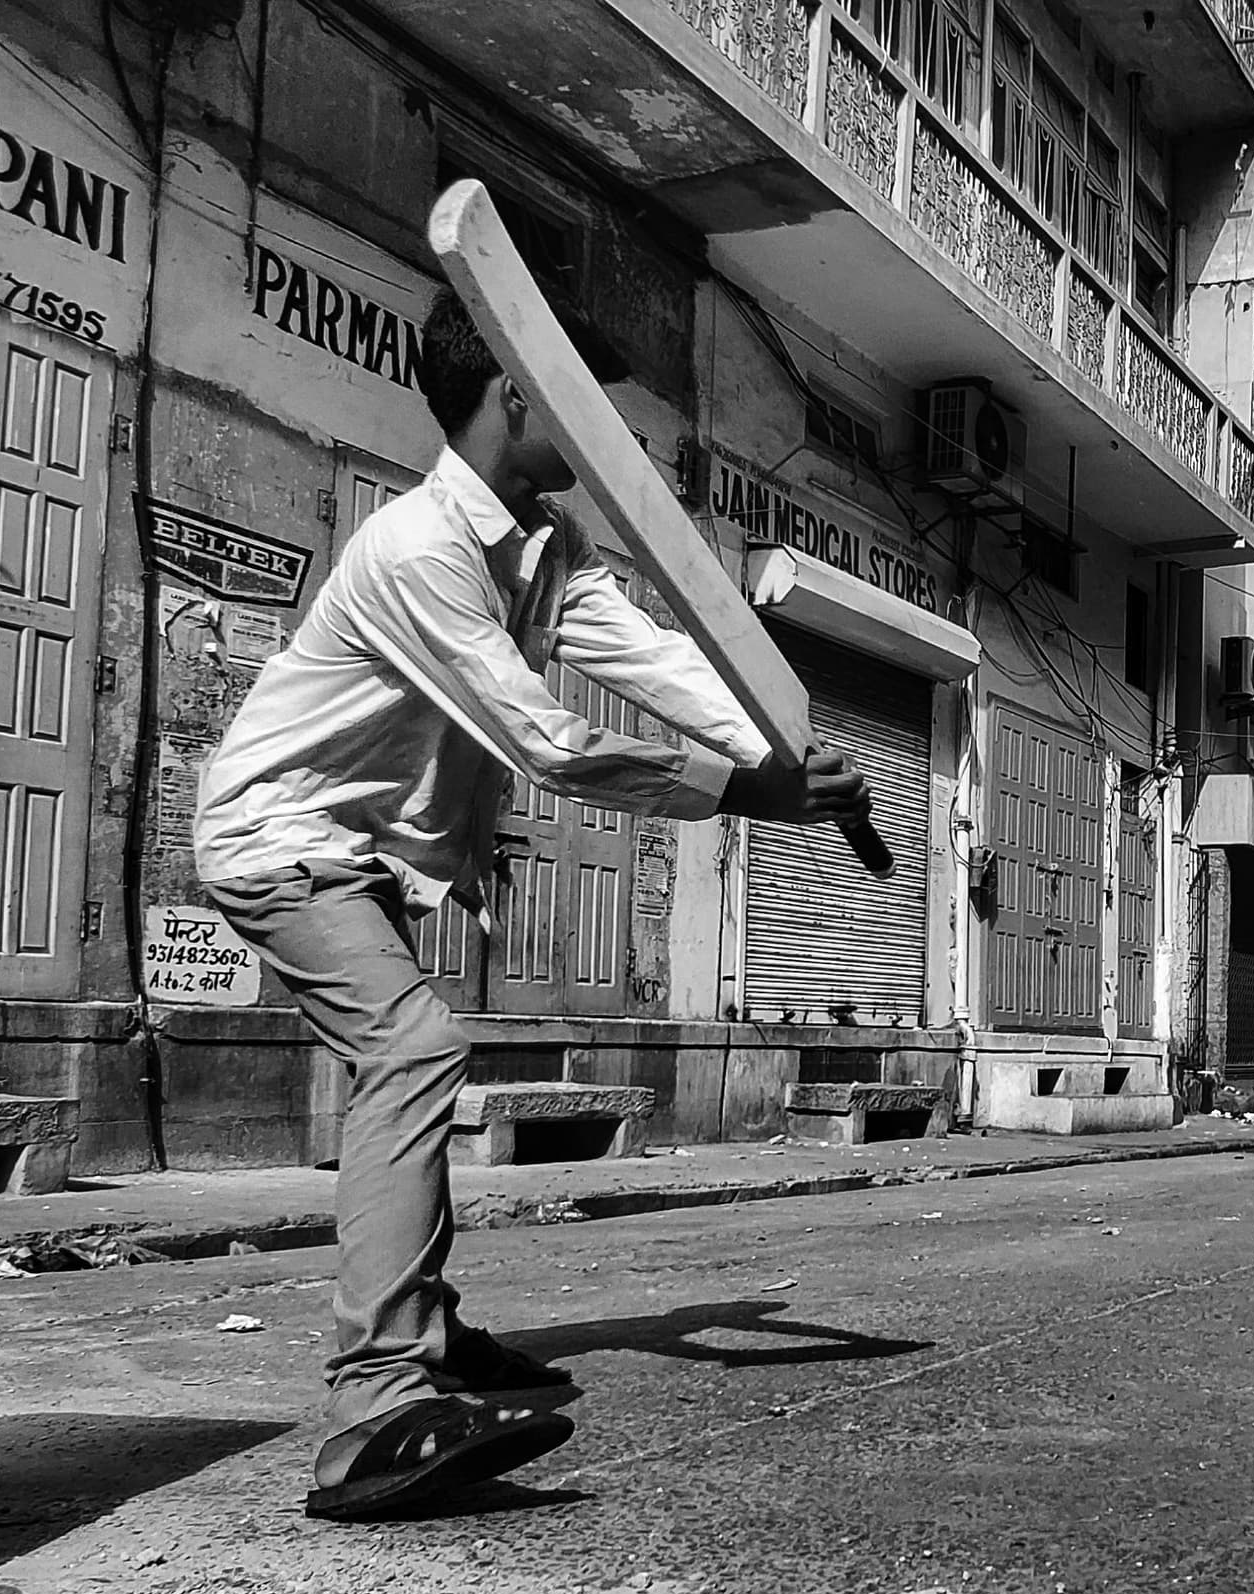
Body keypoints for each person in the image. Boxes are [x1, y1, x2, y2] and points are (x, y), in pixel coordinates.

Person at [195, 291, 869, 1519]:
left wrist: (785, 747)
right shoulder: (419, 548)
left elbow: (655, 660)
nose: (610, 430)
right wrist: (752, 792)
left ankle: (427, 1328)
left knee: (403, 1060)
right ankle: (371, 1411)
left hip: (365, 852)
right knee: (412, 1050)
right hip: (275, 838)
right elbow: (547, 743)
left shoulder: (545, 543)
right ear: (519, 392)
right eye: (585, 399)